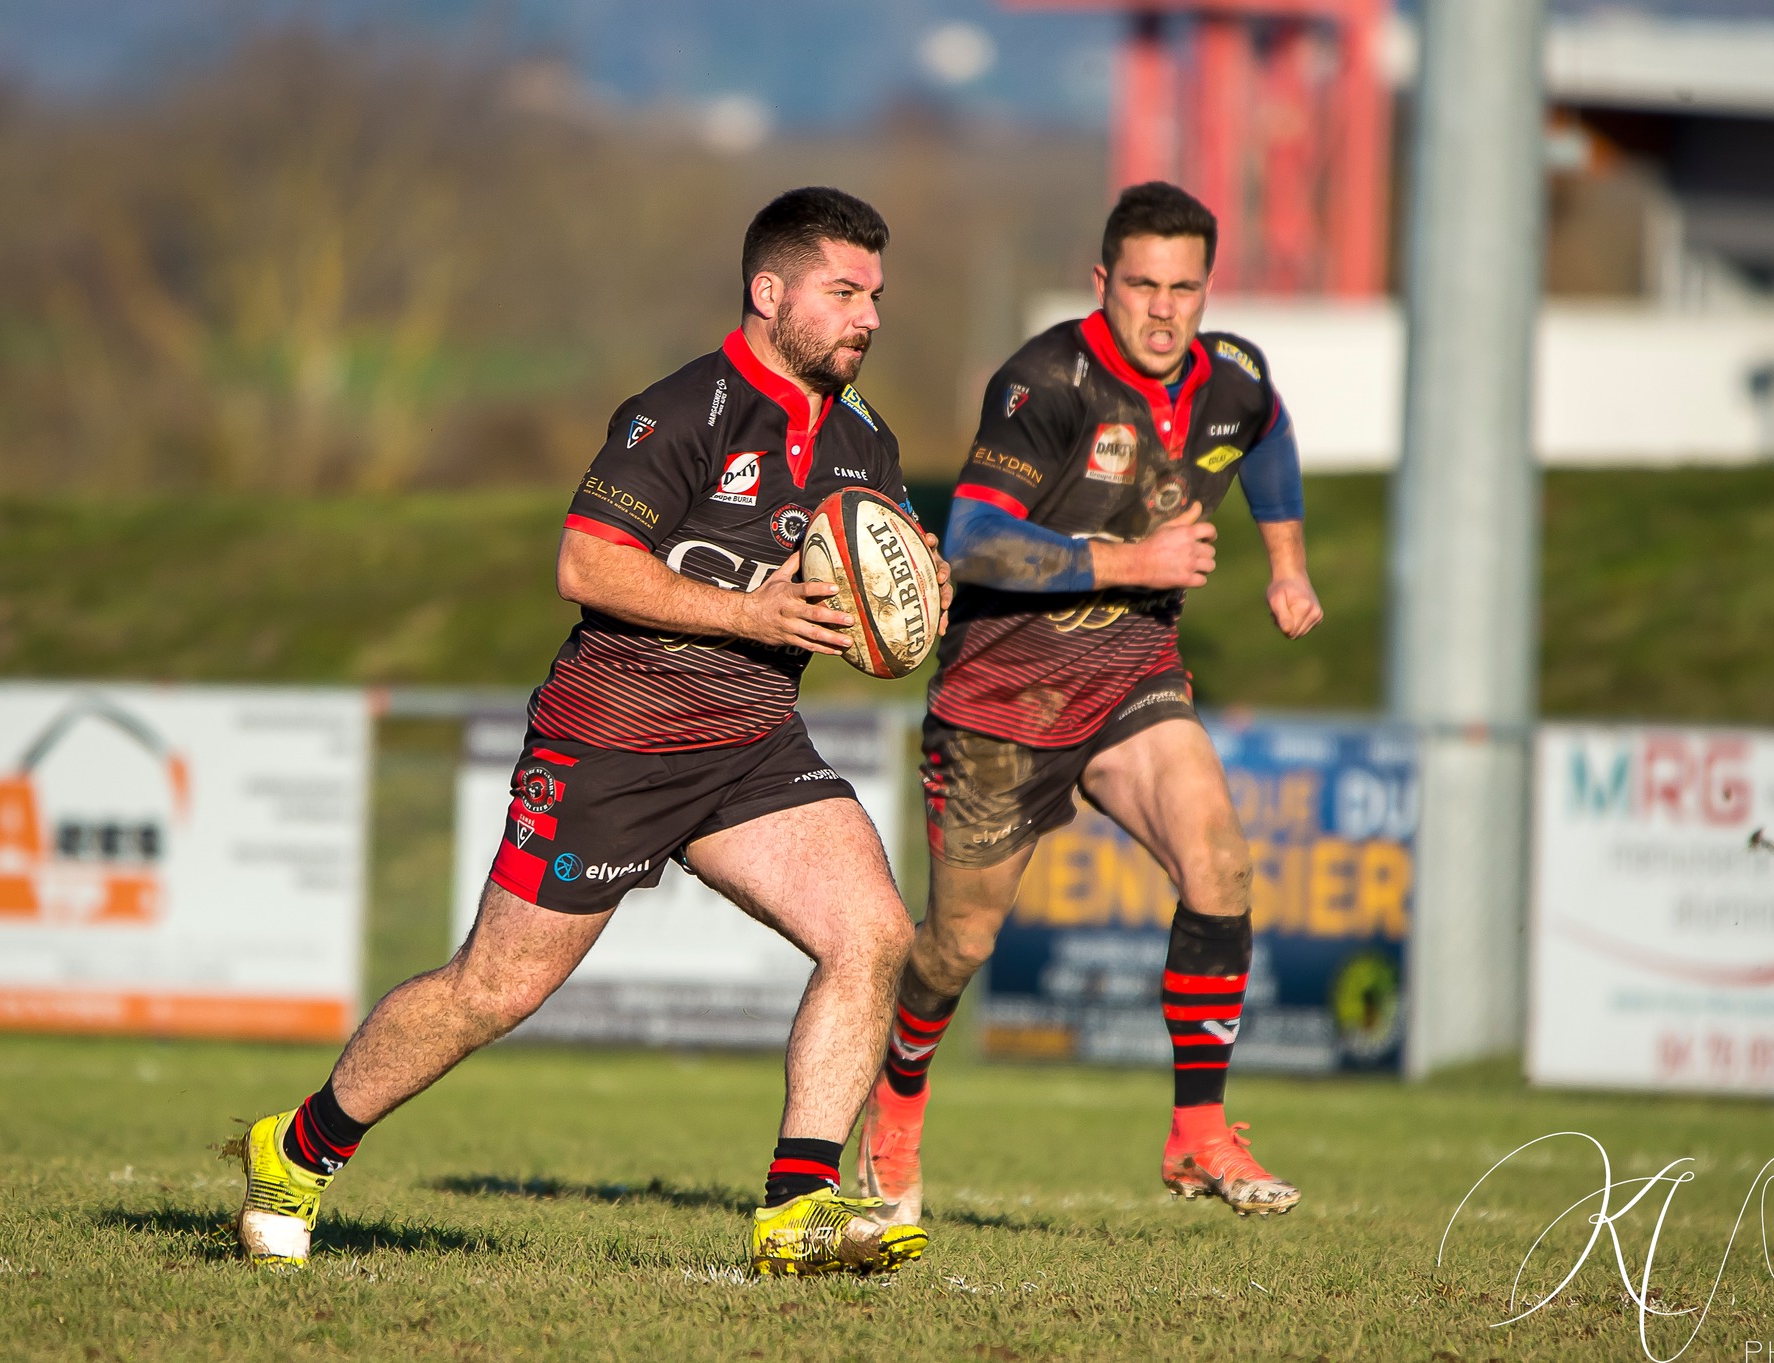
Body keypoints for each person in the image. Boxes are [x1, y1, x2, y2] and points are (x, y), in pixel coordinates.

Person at [230, 186, 950, 1277]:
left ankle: (796, 1208)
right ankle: (297, 1147)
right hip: (615, 739)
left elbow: (863, 584)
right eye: (844, 292)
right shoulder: (684, 411)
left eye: (875, 296)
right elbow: (586, 563)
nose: (870, 317)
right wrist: (750, 613)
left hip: (750, 741)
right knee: (492, 990)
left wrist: (914, 590)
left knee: (874, 934)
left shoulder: (865, 438)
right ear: (769, 293)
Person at [856, 182, 1323, 1226]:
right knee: (957, 946)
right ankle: (895, 1102)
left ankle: (1197, 1131)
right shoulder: (1046, 383)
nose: (1163, 310)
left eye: (1184, 289)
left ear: (1207, 290)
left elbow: (1269, 434)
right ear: (1102, 280)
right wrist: (1132, 559)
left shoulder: (1231, 377)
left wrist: (1286, 566)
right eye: (1143, 286)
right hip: (1001, 702)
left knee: (1221, 866)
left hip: (1132, 680)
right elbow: (974, 539)